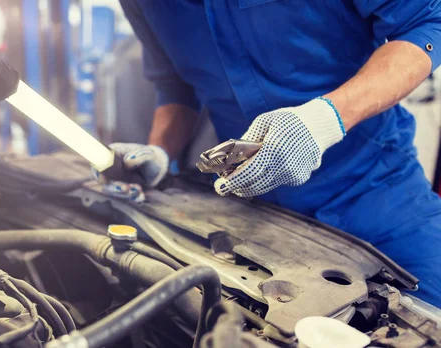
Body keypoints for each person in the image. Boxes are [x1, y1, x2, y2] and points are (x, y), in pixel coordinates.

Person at [102, 1, 441, 307]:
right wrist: (159, 152)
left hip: (376, 195)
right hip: (253, 215)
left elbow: (429, 23)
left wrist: (323, 120)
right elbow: (175, 85)